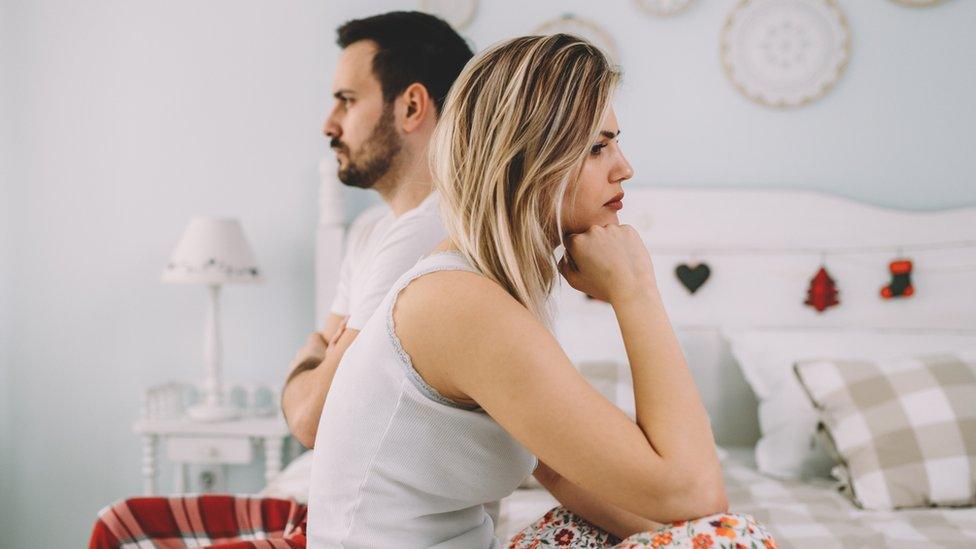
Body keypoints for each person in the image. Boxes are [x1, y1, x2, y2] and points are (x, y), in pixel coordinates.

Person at [305, 34, 779, 548]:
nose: (624, 167)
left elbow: (565, 471)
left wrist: (694, 533)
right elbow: (692, 490)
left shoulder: (491, 286)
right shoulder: (458, 303)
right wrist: (636, 289)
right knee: (730, 537)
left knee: (720, 537)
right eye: (598, 146)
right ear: (527, 159)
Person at [88, 11, 475, 549]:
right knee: (119, 522)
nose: (328, 123)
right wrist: (320, 363)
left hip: (371, 534)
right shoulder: (370, 232)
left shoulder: (430, 235)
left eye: (347, 99)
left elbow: (312, 418)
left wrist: (312, 357)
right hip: (323, 511)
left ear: (411, 106)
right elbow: (321, 387)